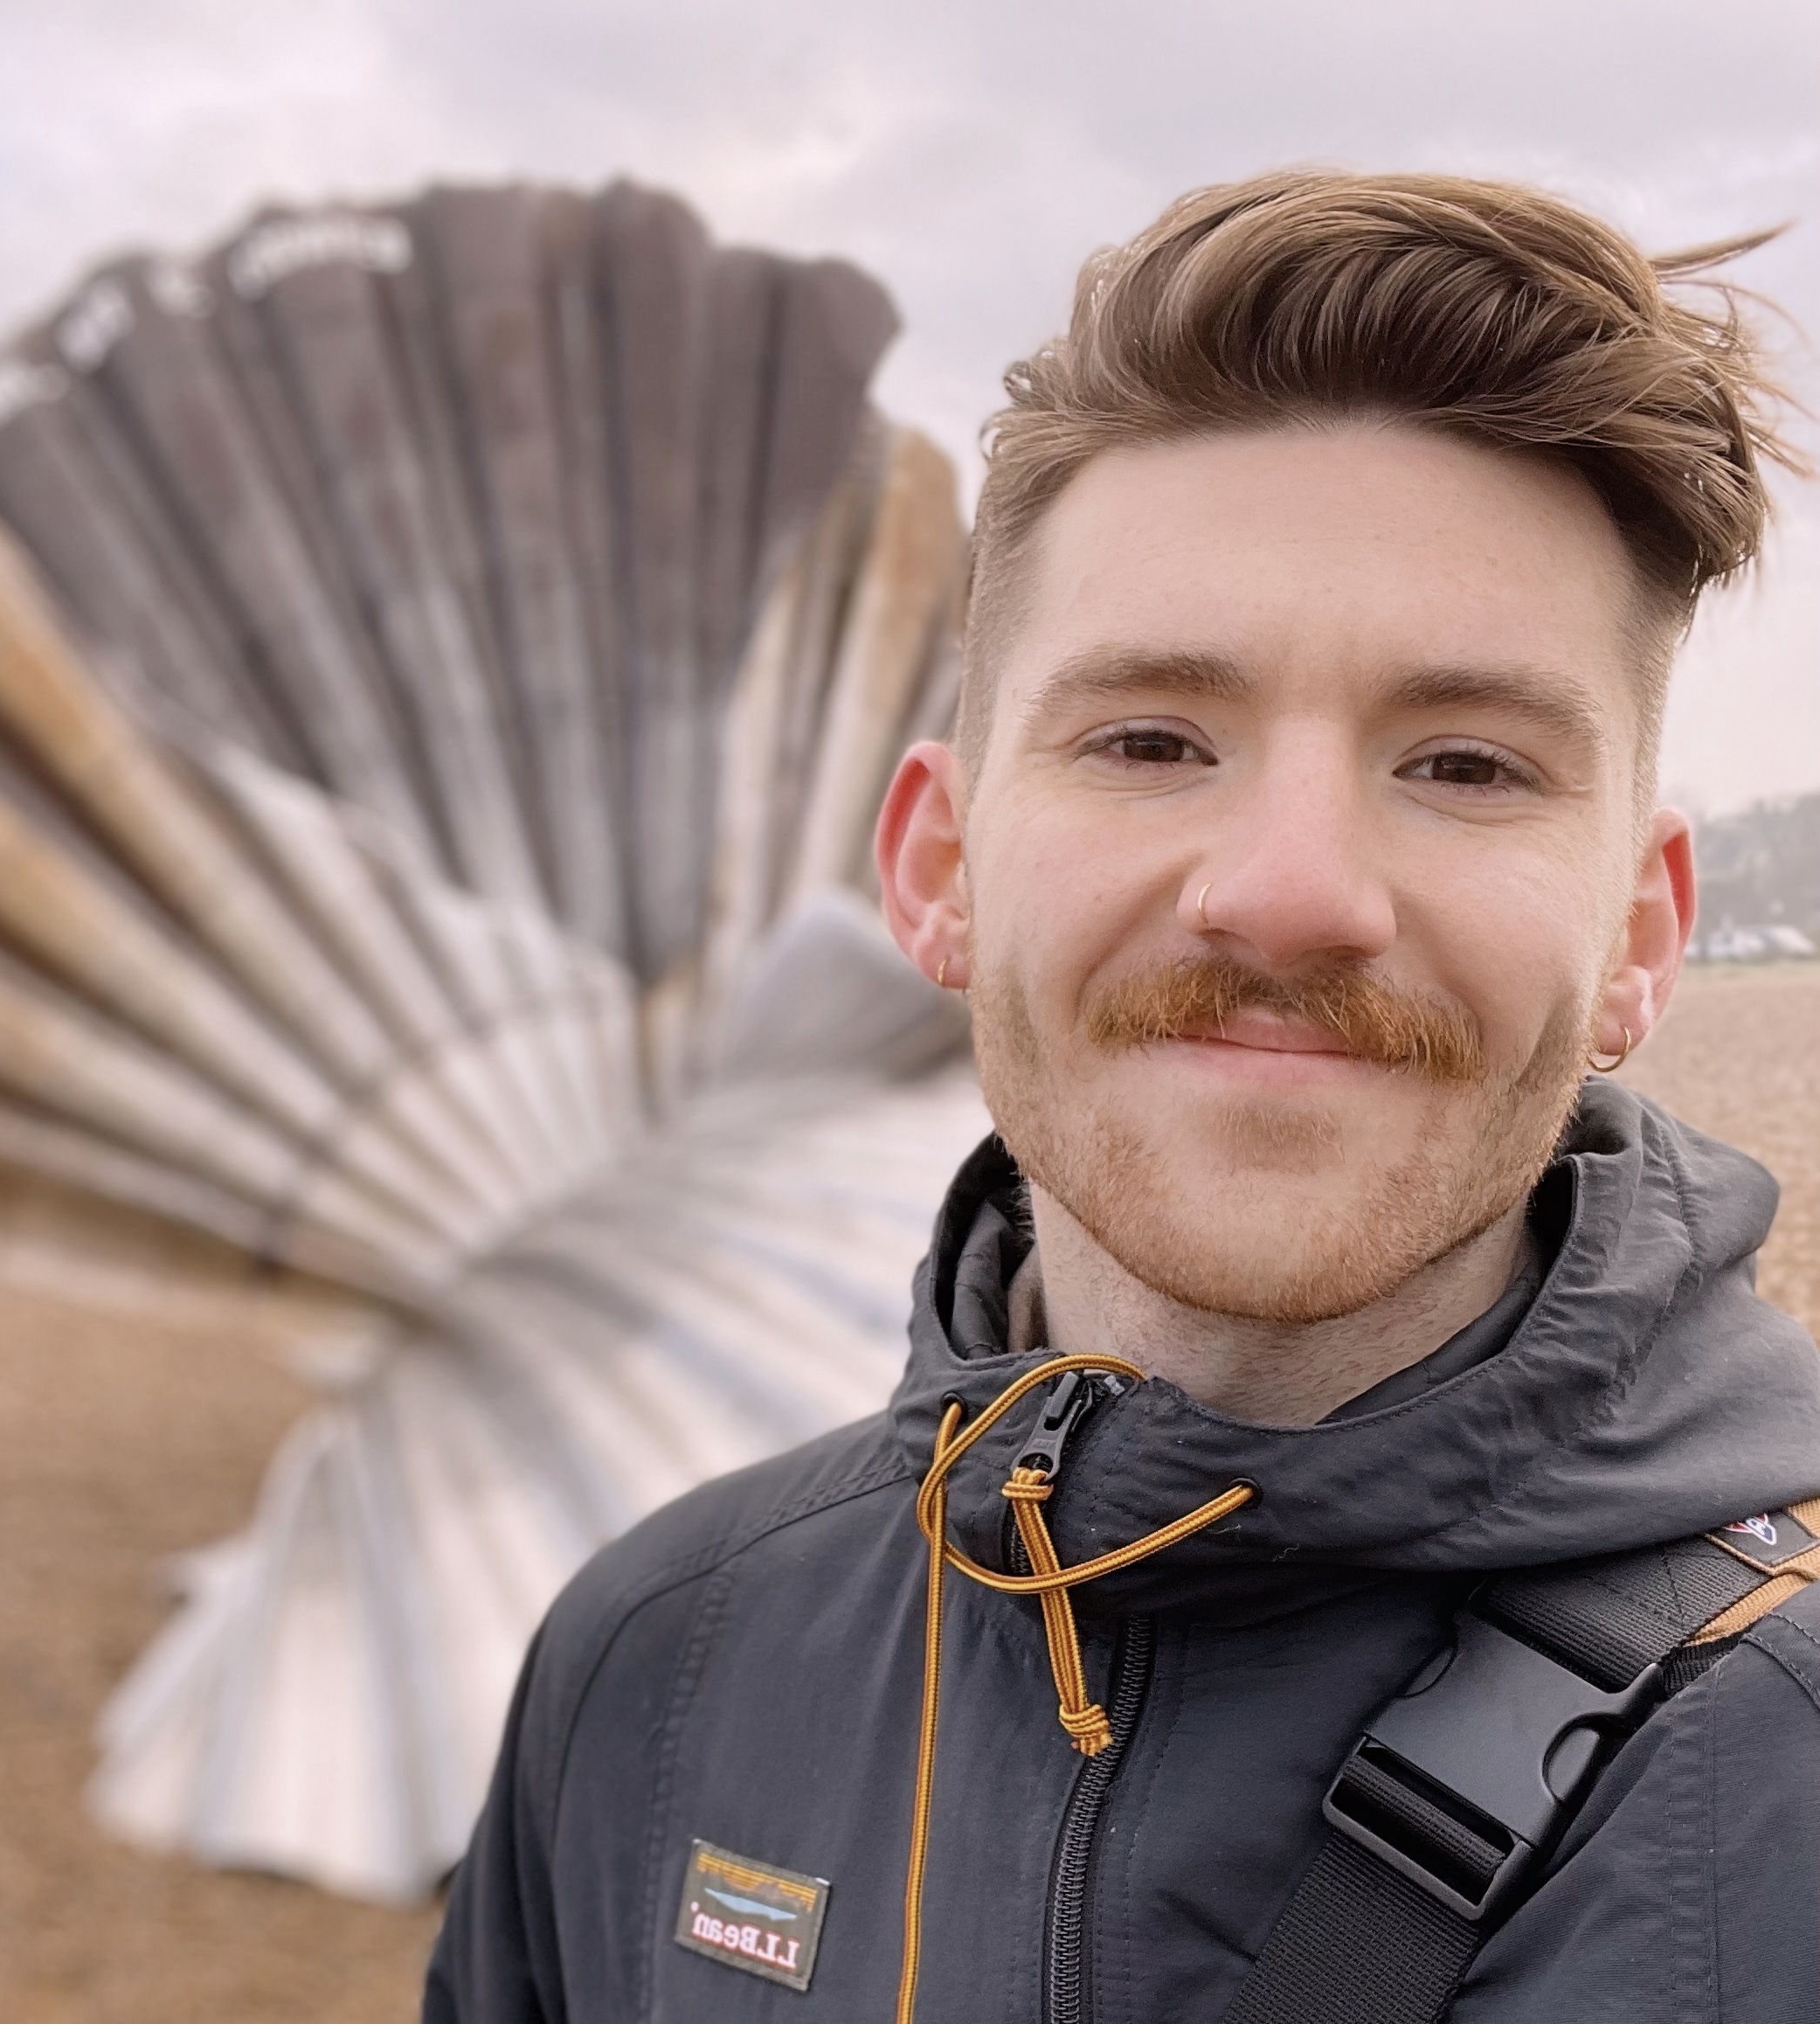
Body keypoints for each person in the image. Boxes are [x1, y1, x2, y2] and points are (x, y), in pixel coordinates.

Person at [423, 170, 1820, 2023]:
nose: (1293, 889)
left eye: (1467, 763)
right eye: (1152, 740)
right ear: (938, 867)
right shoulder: (651, 1669)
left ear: (1641, 932)